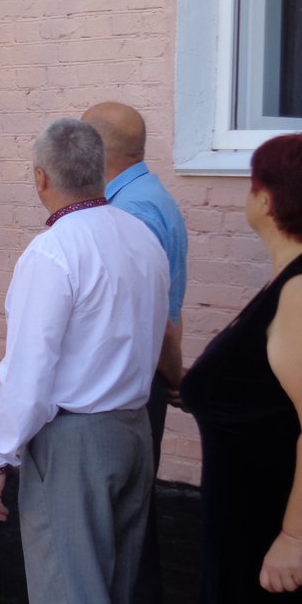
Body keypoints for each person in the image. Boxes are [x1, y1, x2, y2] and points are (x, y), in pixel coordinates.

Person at [0, 119, 169, 604]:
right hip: (133, 430)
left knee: (69, 590)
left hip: (75, 442)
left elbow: (28, 372)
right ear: (100, 171)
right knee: (116, 585)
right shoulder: (143, 237)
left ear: (41, 177)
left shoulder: (54, 251)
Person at [180, 134, 302, 601]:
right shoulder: (283, 280)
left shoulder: (297, 291)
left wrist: (293, 538)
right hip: (243, 519)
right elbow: (264, 386)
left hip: (268, 528)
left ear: (267, 199)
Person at [82, 101, 189, 603]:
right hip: (144, 378)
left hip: (129, 385)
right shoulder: (149, 196)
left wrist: (175, 376)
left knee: (123, 523)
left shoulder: (131, 210)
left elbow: (153, 313)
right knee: (131, 518)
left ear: (96, 149)